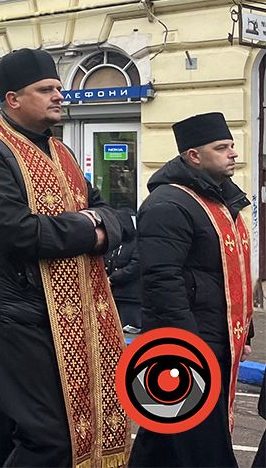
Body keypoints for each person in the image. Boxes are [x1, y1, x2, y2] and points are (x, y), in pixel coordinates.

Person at [0, 48, 130, 467]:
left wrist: (95, 223)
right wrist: (92, 229)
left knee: (76, 425)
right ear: (13, 99)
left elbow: (112, 213)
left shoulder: (61, 152)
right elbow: (18, 232)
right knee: (48, 437)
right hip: (19, 311)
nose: (58, 95)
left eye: (58, 87)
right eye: (46, 89)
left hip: (76, 311)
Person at [130, 112, 252, 467]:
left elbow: (232, 270)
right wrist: (188, 348)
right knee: (205, 447)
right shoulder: (168, 204)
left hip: (215, 336)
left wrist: (244, 332)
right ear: (194, 156)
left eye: (232, 145)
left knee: (162, 440)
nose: (233, 153)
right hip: (189, 343)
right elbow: (161, 281)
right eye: (221, 147)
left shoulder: (219, 200)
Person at [104, 210, 141, 333]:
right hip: (113, 295)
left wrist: (113, 278)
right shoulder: (114, 243)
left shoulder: (136, 242)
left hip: (130, 297)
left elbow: (136, 265)